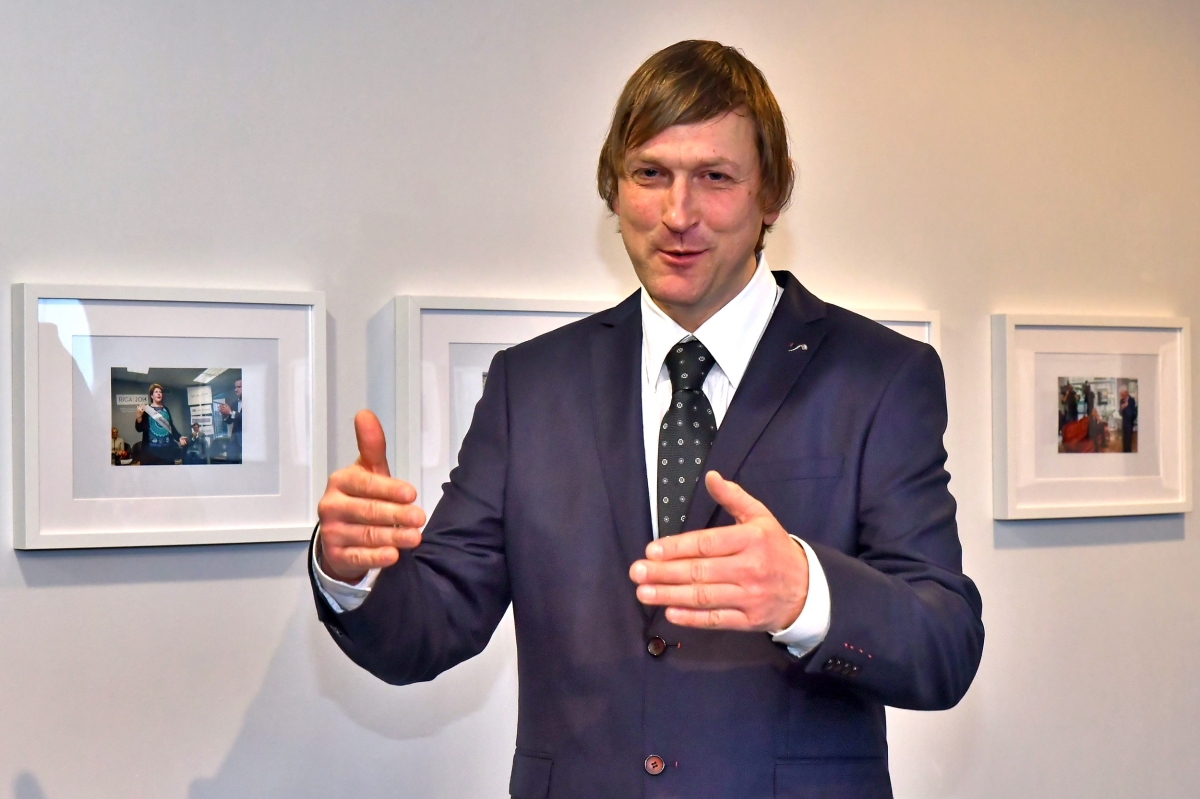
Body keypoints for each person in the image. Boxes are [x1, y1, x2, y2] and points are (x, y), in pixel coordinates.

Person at [311, 40, 983, 798]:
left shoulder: (879, 375)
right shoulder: (530, 384)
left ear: (770, 194)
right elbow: (430, 626)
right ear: (614, 187)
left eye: (715, 178)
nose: (677, 214)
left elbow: (945, 642)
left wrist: (806, 592)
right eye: (650, 174)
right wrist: (353, 569)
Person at [134, 383, 187, 465]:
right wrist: (139, 417)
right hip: (150, 452)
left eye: (160, 392)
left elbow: (170, 427)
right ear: (152, 396)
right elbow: (139, 429)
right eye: (156, 392)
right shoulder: (147, 409)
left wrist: (179, 437)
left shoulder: (165, 409)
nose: (159, 393)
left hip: (166, 451)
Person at [218, 378, 242, 463]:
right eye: (235, 387)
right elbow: (230, 421)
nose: (236, 389)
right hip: (235, 439)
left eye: (239, 387)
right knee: (230, 462)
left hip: (248, 440)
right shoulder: (234, 404)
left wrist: (230, 412)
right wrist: (225, 414)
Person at [1120, 386, 1138, 453]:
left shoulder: (1132, 400)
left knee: (1129, 441)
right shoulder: (1121, 401)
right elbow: (1120, 413)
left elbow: (1132, 414)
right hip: (1124, 424)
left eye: (1123, 394)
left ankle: (1128, 453)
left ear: (1126, 393)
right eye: (1121, 395)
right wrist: (1122, 408)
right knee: (1124, 441)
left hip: (1129, 424)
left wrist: (1126, 407)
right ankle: (1124, 453)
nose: (1122, 396)